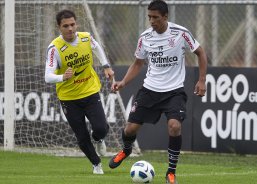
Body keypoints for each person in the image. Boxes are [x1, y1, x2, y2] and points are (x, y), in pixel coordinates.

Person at [109, 0, 207, 183]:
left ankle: (171, 172)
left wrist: (202, 81)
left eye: (155, 17)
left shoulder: (180, 33)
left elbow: (200, 53)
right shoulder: (145, 37)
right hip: (150, 90)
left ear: (165, 17)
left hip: (174, 91)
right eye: (149, 17)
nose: (151, 21)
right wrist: (123, 82)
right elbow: (138, 63)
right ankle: (126, 150)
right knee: (130, 130)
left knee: (175, 126)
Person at [45, 9, 114, 174]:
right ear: (59, 28)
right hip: (69, 98)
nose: (70, 29)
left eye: (72, 24)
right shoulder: (54, 48)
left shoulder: (85, 37)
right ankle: (96, 164)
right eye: (65, 26)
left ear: (76, 24)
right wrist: (62, 77)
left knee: (101, 129)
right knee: (82, 137)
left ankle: (98, 138)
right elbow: (48, 76)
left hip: (90, 91)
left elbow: (97, 48)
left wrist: (106, 66)